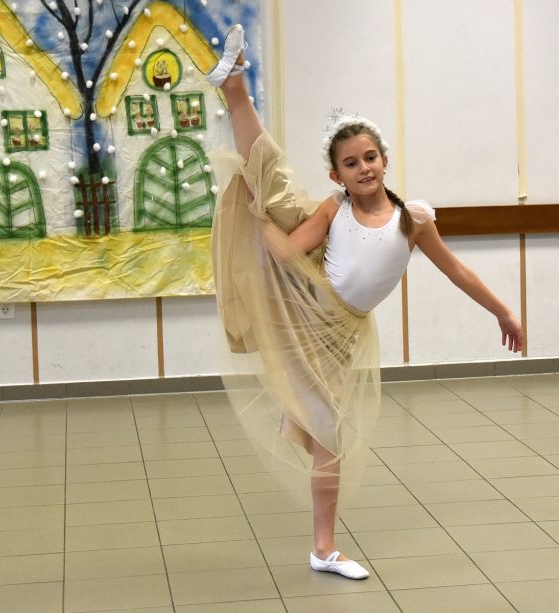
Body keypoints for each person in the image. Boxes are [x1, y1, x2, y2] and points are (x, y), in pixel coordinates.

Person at [207, 25, 524, 581]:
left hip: (339, 331)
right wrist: (257, 218)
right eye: (351, 164)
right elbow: (289, 252)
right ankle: (235, 87)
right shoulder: (334, 208)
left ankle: (322, 546)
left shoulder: (413, 219)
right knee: (275, 186)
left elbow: (457, 271)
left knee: (324, 436)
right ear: (337, 175)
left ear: (384, 159)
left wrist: (502, 310)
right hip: (303, 307)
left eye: (370, 157)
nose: (364, 169)